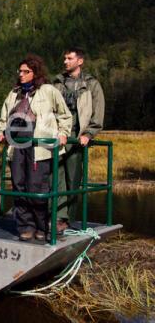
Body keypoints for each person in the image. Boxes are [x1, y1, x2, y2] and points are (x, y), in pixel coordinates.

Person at [0, 54, 72, 241]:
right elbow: (4, 116)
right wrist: (1, 131)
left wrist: (63, 133)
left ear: (35, 72)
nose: (21, 75)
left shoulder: (48, 90)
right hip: (17, 145)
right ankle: (25, 225)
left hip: (39, 146)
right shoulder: (14, 93)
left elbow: (64, 114)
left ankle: (41, 225)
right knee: (19, 185)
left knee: (36, 187)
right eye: (19, 71)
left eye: (26, 71)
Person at [52, 47, 105, 232]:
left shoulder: (91, 84)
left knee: (72, 178)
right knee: (55, 176)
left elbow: (98, 113)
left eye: (69, 58)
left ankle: (67, 219)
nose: (65, 61)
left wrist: (89, 134)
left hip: (78, 137)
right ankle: (56, 215)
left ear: (80, 61)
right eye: (64, 58)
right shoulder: (57, 83)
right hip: (58, 136)